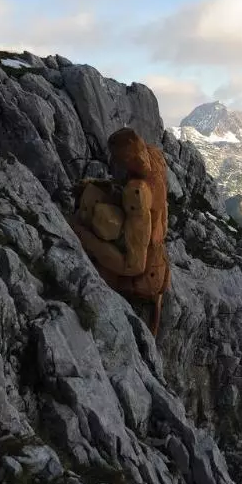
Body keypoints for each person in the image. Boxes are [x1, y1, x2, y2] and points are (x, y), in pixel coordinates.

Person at [71, 127, 171, 336]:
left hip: (142, 275)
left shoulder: (138, 192)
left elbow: (133, 265)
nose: (118, 164)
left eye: (122, 160)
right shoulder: (155, 155)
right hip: (156, 258)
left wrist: (83, 236)